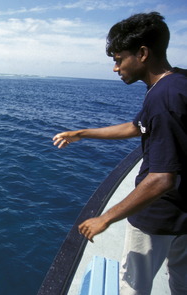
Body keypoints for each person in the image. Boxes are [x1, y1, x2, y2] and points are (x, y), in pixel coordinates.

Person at [52, 12, 187, 295]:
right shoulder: (177, 83)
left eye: (118, 59)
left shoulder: (163, 97)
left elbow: (162, 178)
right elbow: (136, 126)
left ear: (142, 53)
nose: (115, 68)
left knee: (133, 287)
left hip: (158, 216)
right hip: (182, 214)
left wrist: (105, 218)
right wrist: (81, 133)